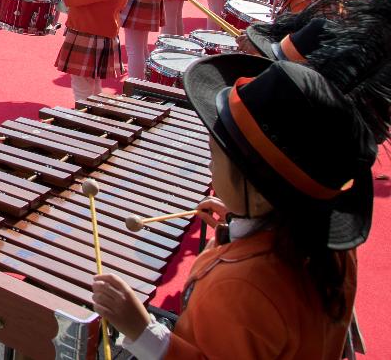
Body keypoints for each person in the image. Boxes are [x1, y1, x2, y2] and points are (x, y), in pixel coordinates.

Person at [92, 50, 374, 359]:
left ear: (259, 192)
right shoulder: (325, 242)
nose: (211, 169)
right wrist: (241, 226)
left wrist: (142, 332)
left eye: (215, 155)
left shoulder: (241, 288)